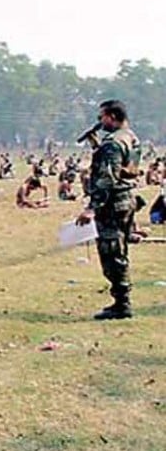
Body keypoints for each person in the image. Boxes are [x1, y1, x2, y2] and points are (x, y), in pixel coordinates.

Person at [76, 100, 141, 320]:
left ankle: (122, 304)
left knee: (111, 253)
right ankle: (122, 299)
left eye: (102, 117)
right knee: (120, 251)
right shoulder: (130, 137)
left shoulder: (112, 142)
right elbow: (123, 168)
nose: (100, 121)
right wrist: (97, 147)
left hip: (112, 204)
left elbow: (107, 178)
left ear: (112, 116)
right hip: (126, 200)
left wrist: (92, 208)